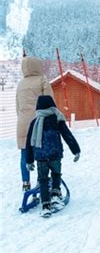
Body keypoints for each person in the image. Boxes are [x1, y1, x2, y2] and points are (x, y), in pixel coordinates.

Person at [24, 96, 80, 218]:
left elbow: (28, 142)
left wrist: (29, 160)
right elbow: (67, 135)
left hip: (40, 158)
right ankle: (55, 195)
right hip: (55, 155)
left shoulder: (34, 122)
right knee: (56, 175)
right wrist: (76, 150)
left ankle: (45, 205)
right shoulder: (57, 119)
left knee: (43, 180)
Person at [16, 56, 54, 192]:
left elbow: (17, 107)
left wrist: (23, 118)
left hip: (22, 123)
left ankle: (25, 183)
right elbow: (50, 102)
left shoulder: (20, 84)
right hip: (40, 123)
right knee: (41, 153)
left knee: (25, 155)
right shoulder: (42, 80)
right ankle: (41, 180)